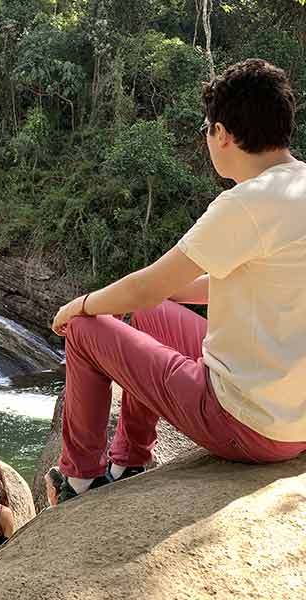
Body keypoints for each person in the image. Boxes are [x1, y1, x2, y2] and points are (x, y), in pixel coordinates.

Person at [44, 58, 306, 506]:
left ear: (221, 132)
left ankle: (80, 481)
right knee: (147, 314)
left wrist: (82, 303)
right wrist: (140, 293)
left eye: (206, 129)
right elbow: (206, 286)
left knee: (86, 329)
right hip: (294, 420)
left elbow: (147, 284)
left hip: (245, 422)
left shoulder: (245, 203)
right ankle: (129, 461)